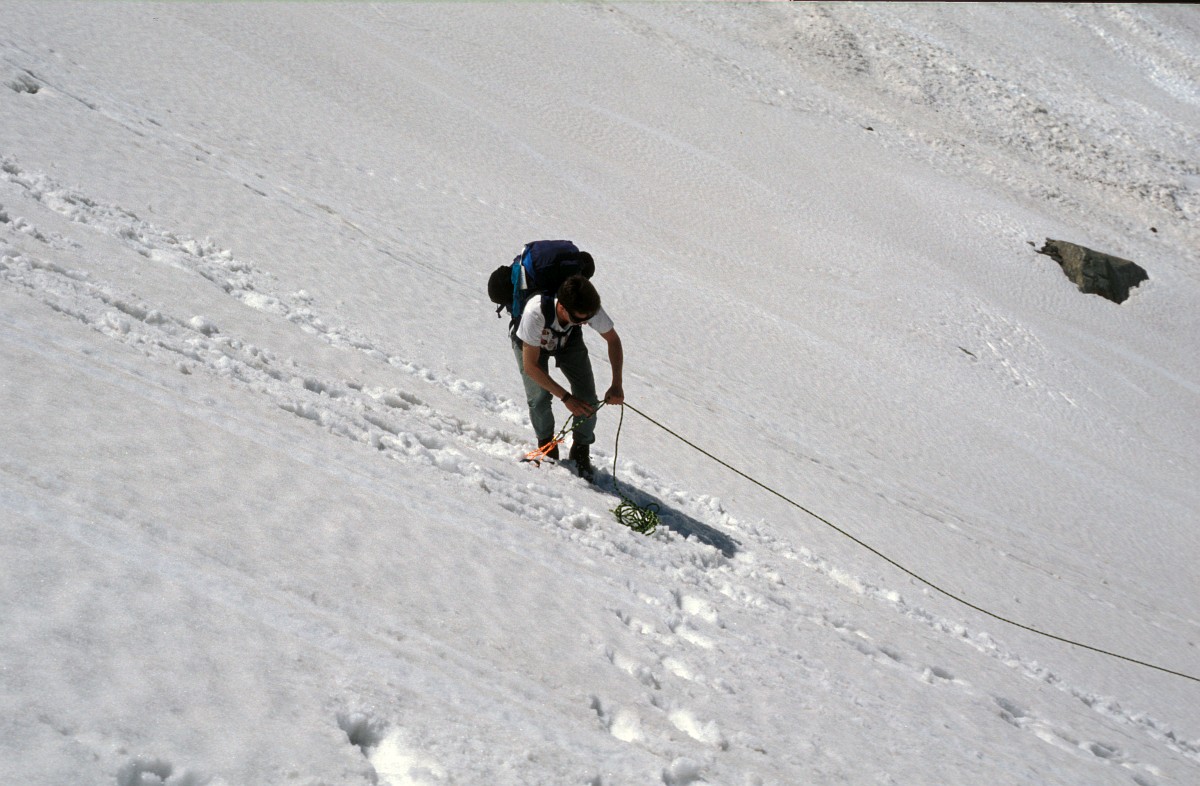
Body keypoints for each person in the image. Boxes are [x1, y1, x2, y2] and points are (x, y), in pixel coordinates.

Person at [512, 273, 624, 479]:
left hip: (567, 340)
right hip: (531, 344)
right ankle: (546, 444)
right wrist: (566, 398)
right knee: (539, 397)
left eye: (587, 319)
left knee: (588, 398)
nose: (584, 323)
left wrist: (617, 384)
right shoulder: (535, 311)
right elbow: (531, 367)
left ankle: (581, 450)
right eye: (579, 319)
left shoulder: (588, 307)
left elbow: (613, 340)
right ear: (562, 307)